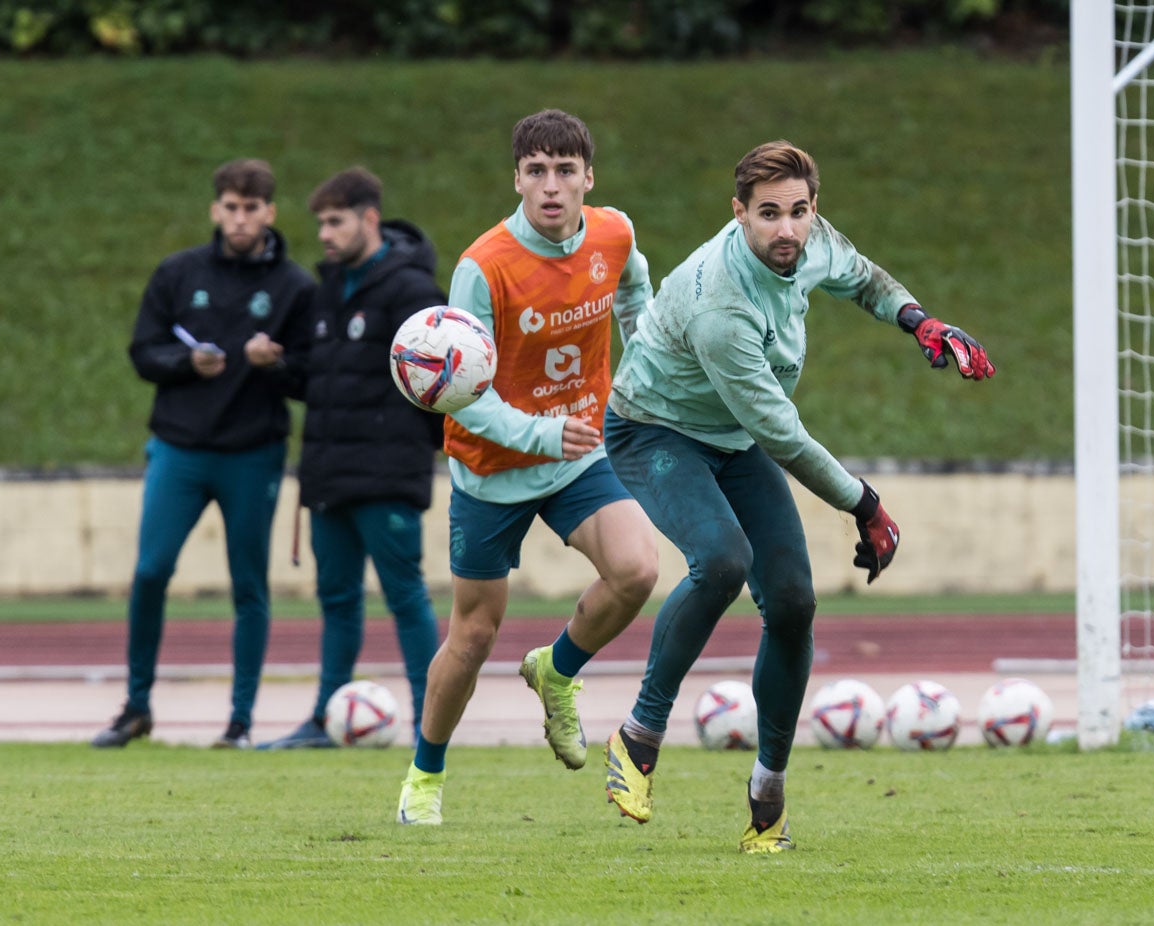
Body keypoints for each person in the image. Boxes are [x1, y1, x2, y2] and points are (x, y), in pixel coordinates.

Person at [599, 140, 996, 852]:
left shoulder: (808, 240)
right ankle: (638, 736)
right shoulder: (720, 303)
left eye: (798, 212)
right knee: (720, 561)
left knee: (792, 602)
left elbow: (863, 277)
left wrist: (920, 321)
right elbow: (780, 434)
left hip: (731, 437)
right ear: (738, 214)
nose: (786, 230)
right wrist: (865, 504)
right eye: (768, 215)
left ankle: (767, 795)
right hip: (654, 432)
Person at [397, 109, 658, 825]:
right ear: (515, 178)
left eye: (565, 171)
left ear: (588, 179)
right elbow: (460, 397)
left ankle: (557, 669)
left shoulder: (614, 233)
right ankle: (424, 775)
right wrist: (545, 435)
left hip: (580, 453)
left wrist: (641, 377)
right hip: (493, 467)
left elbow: (637, 299)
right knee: (473, 636)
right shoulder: (482, 268)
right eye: (536, 171)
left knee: (637, 569)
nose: (551, 186)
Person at [92, 158, 316, 750]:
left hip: (253, 453)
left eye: (252, 208)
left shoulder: (295, 286)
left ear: (270, 212)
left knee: (248, 586)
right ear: (216, 210)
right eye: (230, 207)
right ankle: (136, 706)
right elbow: (143, 352)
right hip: (179, 449)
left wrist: (278, 365)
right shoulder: (178, 272)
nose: (240, 218)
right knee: (150, 571)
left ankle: (239, 723)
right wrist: (184, 362)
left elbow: (311, 379)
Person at [258, 167, 446, 750]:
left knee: (405, 597)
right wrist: (280, 368)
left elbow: (441, 381)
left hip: (388, 474)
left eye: (335, 221)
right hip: (328, 475)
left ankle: (427, 725)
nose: (324, 234)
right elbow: (325, 381)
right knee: (336, 601)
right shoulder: (326, 289)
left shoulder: (413, 291)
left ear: (369, 219)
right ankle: (323, 719)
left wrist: (422, 446)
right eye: (320, 223)